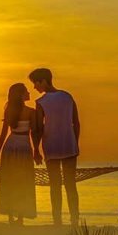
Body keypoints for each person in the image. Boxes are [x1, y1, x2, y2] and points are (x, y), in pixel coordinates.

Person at [29, 68, 80, 226]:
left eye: (35, 83)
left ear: (43, 81)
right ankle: (74, 219)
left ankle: (57, 220)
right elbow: (76, 122)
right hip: (69, 145)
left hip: (51, 146)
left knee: (55, 185)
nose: (34, 87)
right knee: (71, 184)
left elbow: (37, 129)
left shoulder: (41, 102)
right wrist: (75, 142)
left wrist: (36, 150)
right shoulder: (67, 96)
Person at [0, 83, 37, 225]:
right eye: (26, 91)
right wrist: (37, 151)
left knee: (9, 180)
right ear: (21, 94)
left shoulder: (9, 111)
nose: (29, 93)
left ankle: (11, 216)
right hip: (23, 149)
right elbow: (34, 134)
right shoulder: (31, 112)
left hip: (10, 147)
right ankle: (20, 217)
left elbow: (4, 132)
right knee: (23, 181)